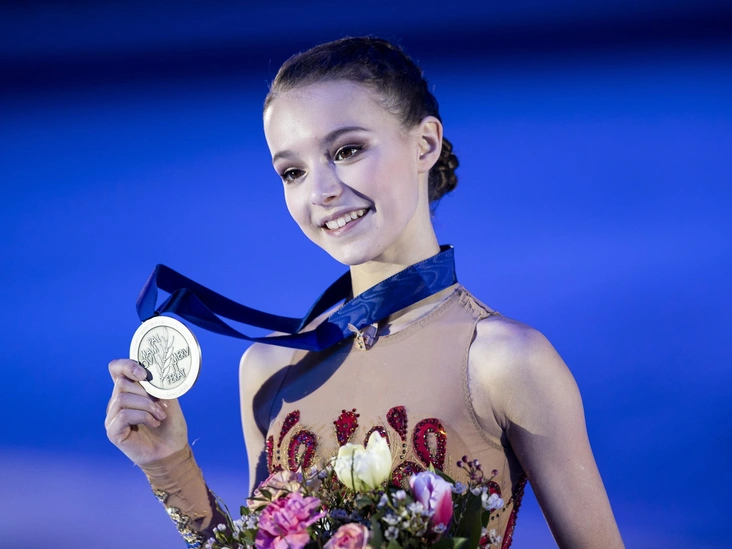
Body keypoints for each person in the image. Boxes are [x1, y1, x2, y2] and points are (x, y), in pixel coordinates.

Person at [105, 37, 624, 548]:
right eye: (293, 172)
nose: (321, 191)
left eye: (347, 150)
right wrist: (169, 464)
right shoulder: (268, 369)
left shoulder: (506, 361)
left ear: (425, 144)